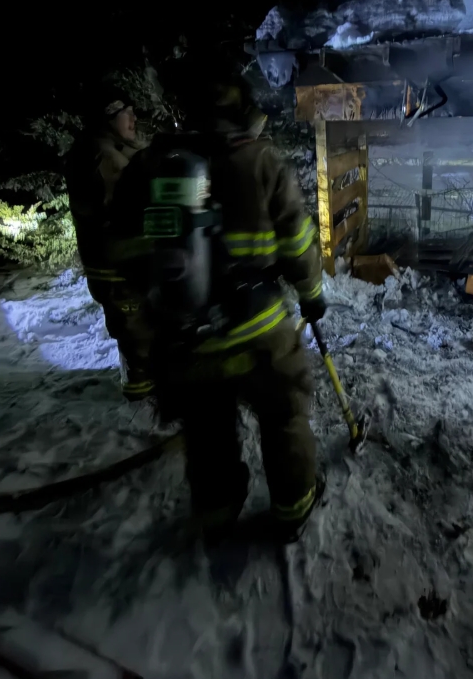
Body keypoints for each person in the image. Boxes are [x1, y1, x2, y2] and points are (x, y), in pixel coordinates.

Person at [110, 75, 325, 542]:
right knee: (283, 416)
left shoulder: (149, 166)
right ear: (241, 108)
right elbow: (297, 242)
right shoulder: (260, 160)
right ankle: (293, 509)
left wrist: (156, 302)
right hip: (260, 329)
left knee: (207, 431)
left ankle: (217, 510)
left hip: (186, 338)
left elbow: (122, 250)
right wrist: (312, 294)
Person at [65, 87, 155, 401]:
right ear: (107, 118)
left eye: (132, 110)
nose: (133, 117)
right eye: (124, 113)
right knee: (134, 332)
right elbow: (121, 208)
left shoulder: (117, 148)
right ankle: (140, 401)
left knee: (139, 327)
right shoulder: (101, 154)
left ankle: (144, 384)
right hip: (116, 265)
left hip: (123, 260)